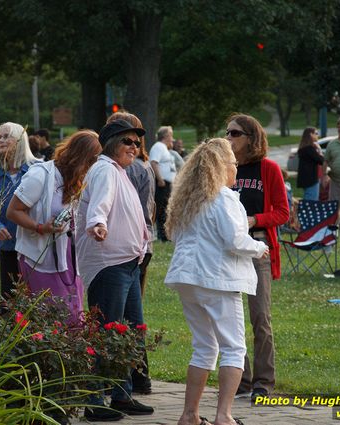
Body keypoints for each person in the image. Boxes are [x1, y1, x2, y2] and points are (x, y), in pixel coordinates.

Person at [164, 138, 269, 425]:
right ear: (221, 166)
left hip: (188, 278)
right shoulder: (224, 197)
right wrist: (260, 248)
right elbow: (234, 240)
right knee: (234, 347)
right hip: (217, 279)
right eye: (234, 164)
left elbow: (176, 237)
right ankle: (224, 416)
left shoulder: (190, 199)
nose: (236, 168)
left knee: (204, 347)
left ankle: (190, 415)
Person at [76, 119, 153, 421]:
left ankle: (122, 395)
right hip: (109, 265)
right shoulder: (106, 169)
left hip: (127, 264)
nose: (134, 147)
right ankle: (94, 401)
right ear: (110, 144)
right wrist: (98, 223)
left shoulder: (118, 171)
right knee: (106, 332)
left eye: (137, 143)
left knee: (130, 332)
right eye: (128, 142)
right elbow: (101, 204)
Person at [6, 130, 102, 322]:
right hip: (40, 258)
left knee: (74, 315)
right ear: (78, 157)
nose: (93, 167)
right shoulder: (40, 175)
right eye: (91, 161)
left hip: (69, 258)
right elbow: (13, 211)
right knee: (50, 318)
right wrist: (41, 227)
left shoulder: (78, 180)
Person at [225, 113, 289, 401]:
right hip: (228, 250)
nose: (228, 138)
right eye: (227, 133)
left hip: (259, 247)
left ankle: (264, 382)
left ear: (251, 138)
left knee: (260, 317)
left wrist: (255, 220)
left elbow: (283, 212)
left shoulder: (268, 169)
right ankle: (242, 380)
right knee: (230, 318)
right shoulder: (225, 169)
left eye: (235, 133)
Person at [106, 110, 155, 396]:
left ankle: (136, 376)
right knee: (132, 313)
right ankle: (139, 376)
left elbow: (146, 210)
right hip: (138, 245)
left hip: (128, 246)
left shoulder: (134, 167)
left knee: (127, 314)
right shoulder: (137, 167)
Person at [0, 122, 39, 303]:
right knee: (9, 299)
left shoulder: (38, 169)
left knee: (36, 299)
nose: (1, 141)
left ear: (20, 140)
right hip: (9, 245)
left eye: (6, 136)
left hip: (35, 244)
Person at [149, 125, 177, 242]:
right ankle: (159, 235)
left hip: (167, 184)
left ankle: (165, 235)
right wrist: (160, 179)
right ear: (166, 136)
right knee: (160, 209)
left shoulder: (165, 148)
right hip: (162, 184)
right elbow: (154, 162)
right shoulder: (158, 147)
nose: (172, 138)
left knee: (165, 209)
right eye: (171, 135)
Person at [296, 127, 324, 201]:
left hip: (306, 180)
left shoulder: (303, 148)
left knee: (309, 199)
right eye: (316, 133)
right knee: (311, 202)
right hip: (311, 181)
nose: (317, 135)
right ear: (311, 135)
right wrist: (319, 149)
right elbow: (321, 161)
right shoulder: (309, 149)